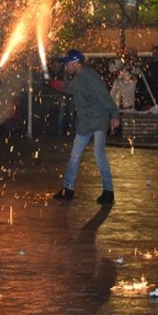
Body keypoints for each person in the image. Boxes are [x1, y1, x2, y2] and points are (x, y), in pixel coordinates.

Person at [47, 49, 120, 204]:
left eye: (68, 64)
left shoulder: (89, 76)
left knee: (98, 155)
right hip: (86, 122)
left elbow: (103, 95)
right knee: (75, 155)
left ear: (76, 63)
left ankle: (108, 191)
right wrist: (52, 83)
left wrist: (114, 114)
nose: (66, 67)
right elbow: (69, 88)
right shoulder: (79, 77)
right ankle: (68, 189)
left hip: (98, 120)